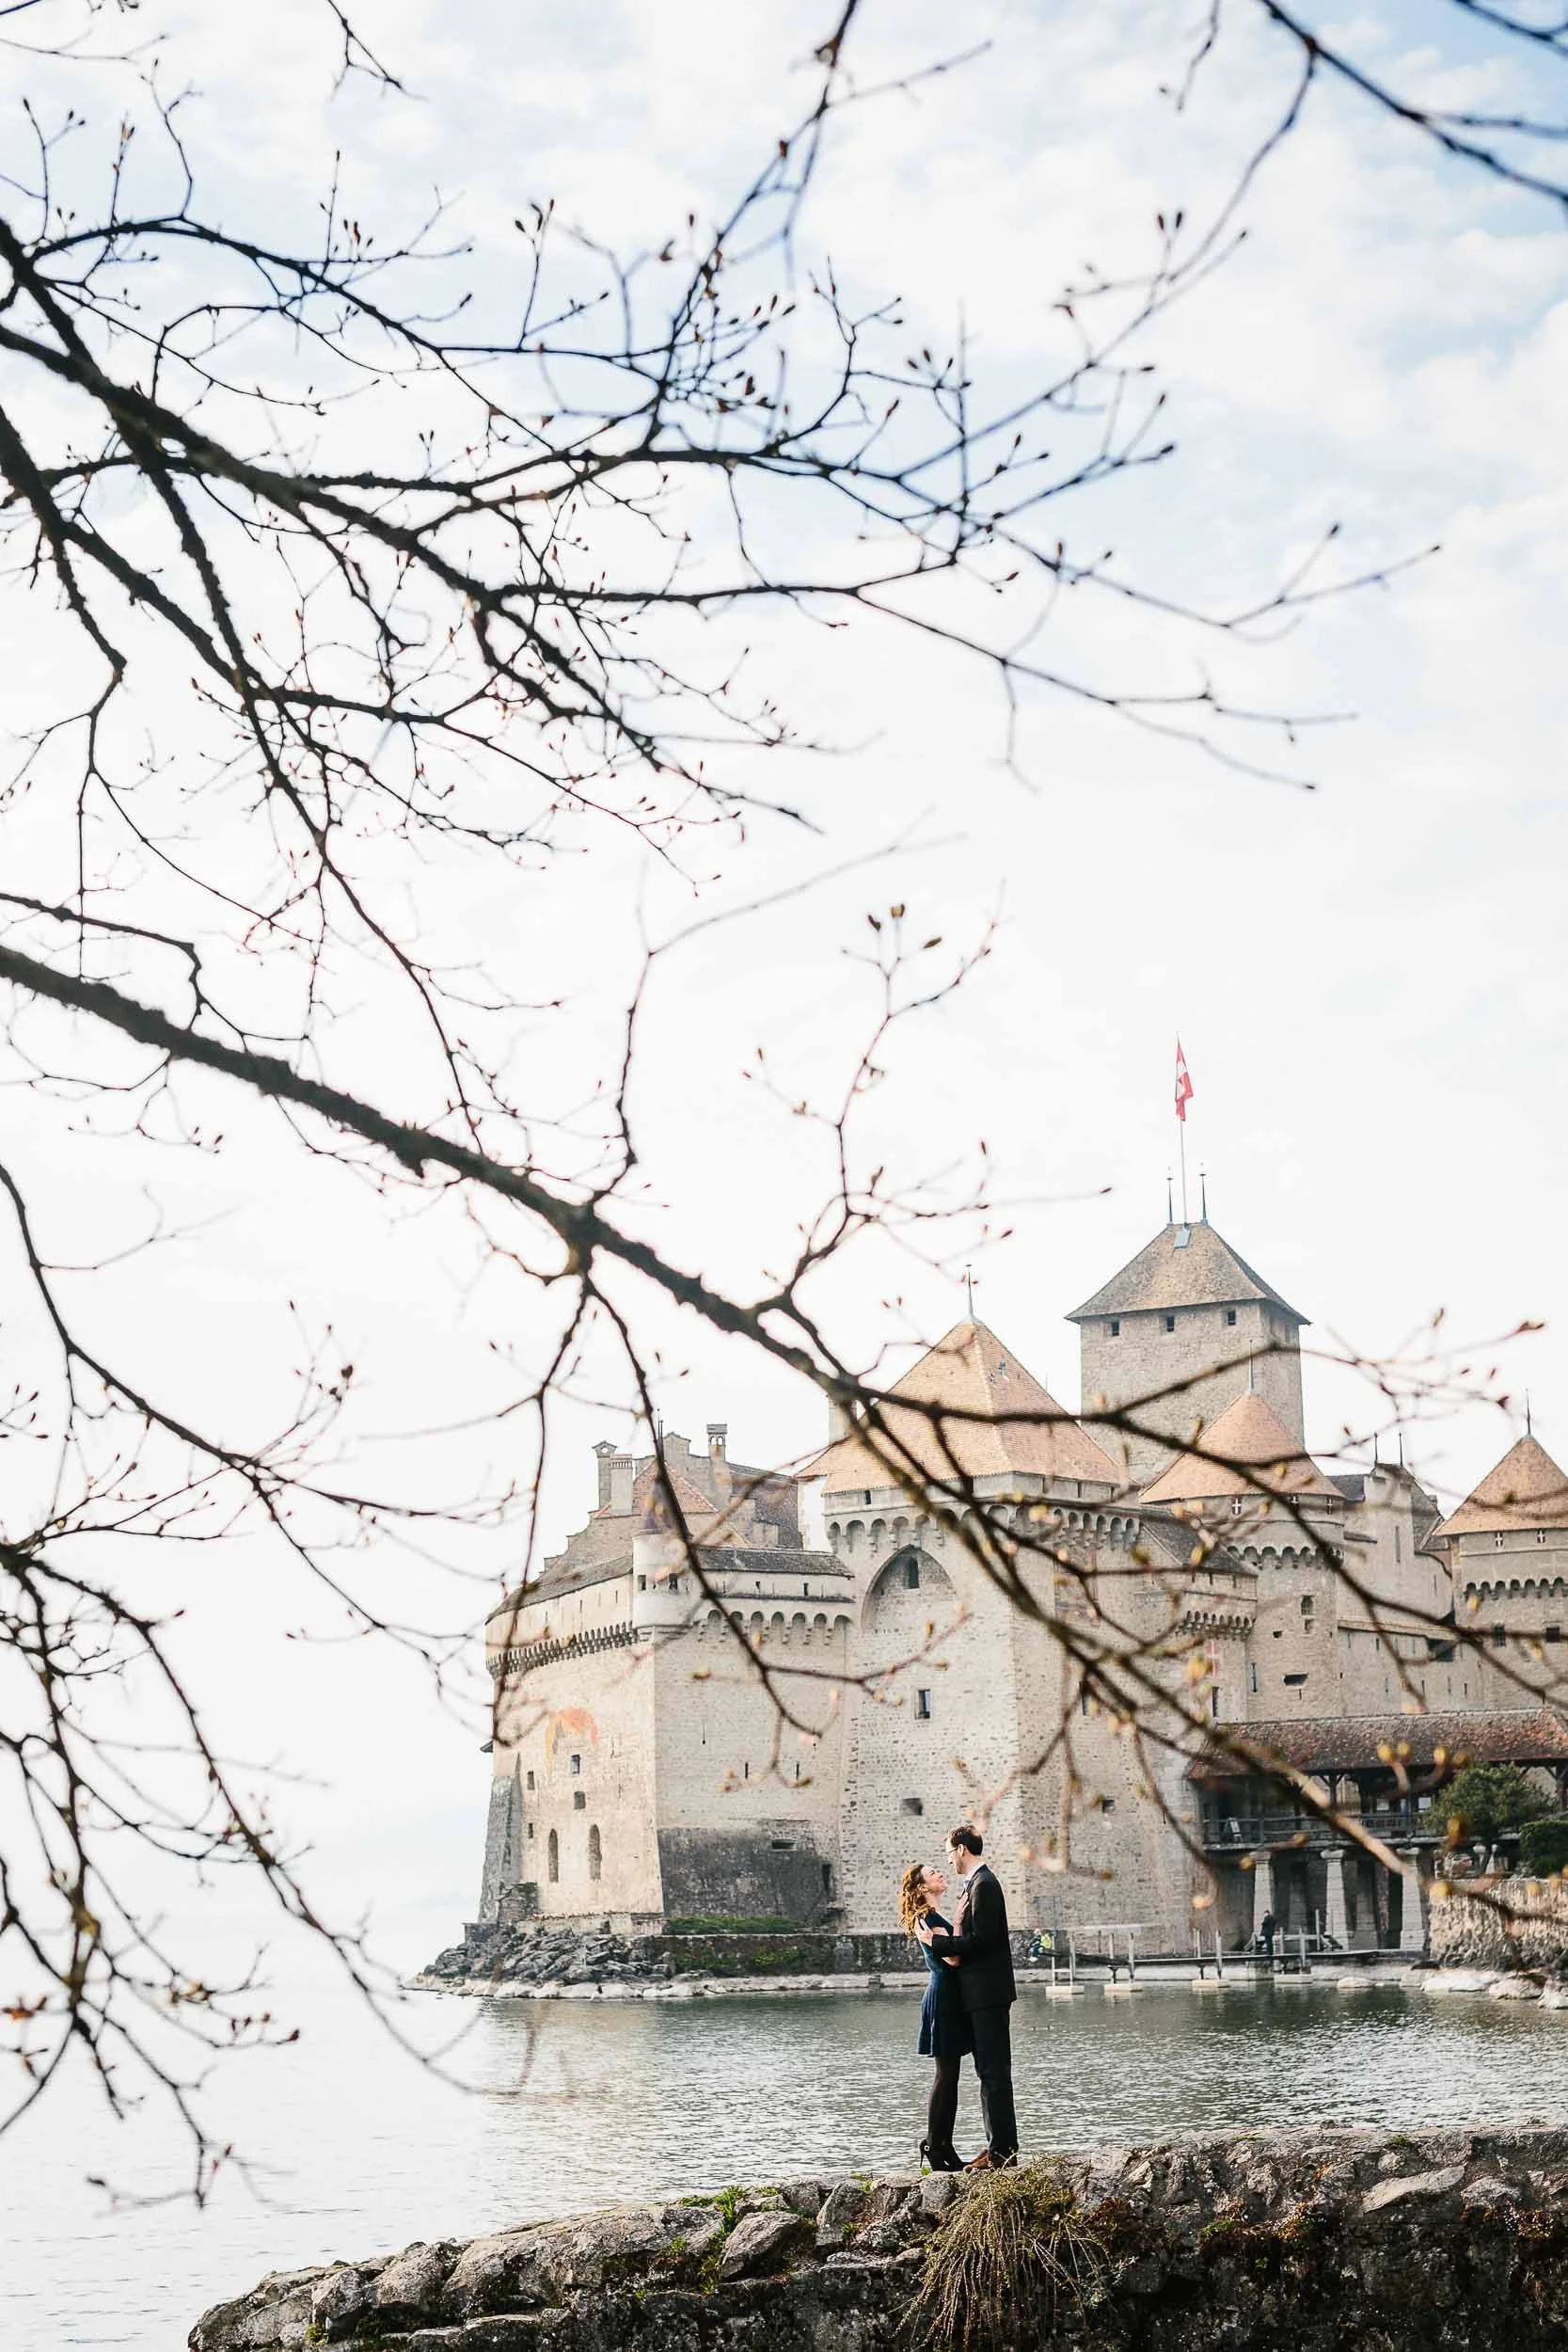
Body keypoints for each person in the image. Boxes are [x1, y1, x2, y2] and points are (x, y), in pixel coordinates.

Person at [915, 1824, 1018, 2170]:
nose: (947, 1861)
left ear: (961, 1849)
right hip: (977, 1995)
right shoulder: (976, 1885)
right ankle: (997, 2148)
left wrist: (938, 1942)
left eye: (948, 1853)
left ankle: (1002, 2151)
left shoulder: (984, 1884)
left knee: (994, 2073)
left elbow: (984, 1941)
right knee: (988, 2073)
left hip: (987, 1993)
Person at [898, 1859, 970, 2173]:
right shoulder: (930, 1917)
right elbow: (954, 1958)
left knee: (949, 2077)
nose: (940, 1873)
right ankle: (933, 2144)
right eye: (932, 1874)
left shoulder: (929, 1916)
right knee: (945, 2076)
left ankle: (944, 2145)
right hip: (944, 1997)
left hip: (945, 1996)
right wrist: (958, 1920)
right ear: (922, 1887)